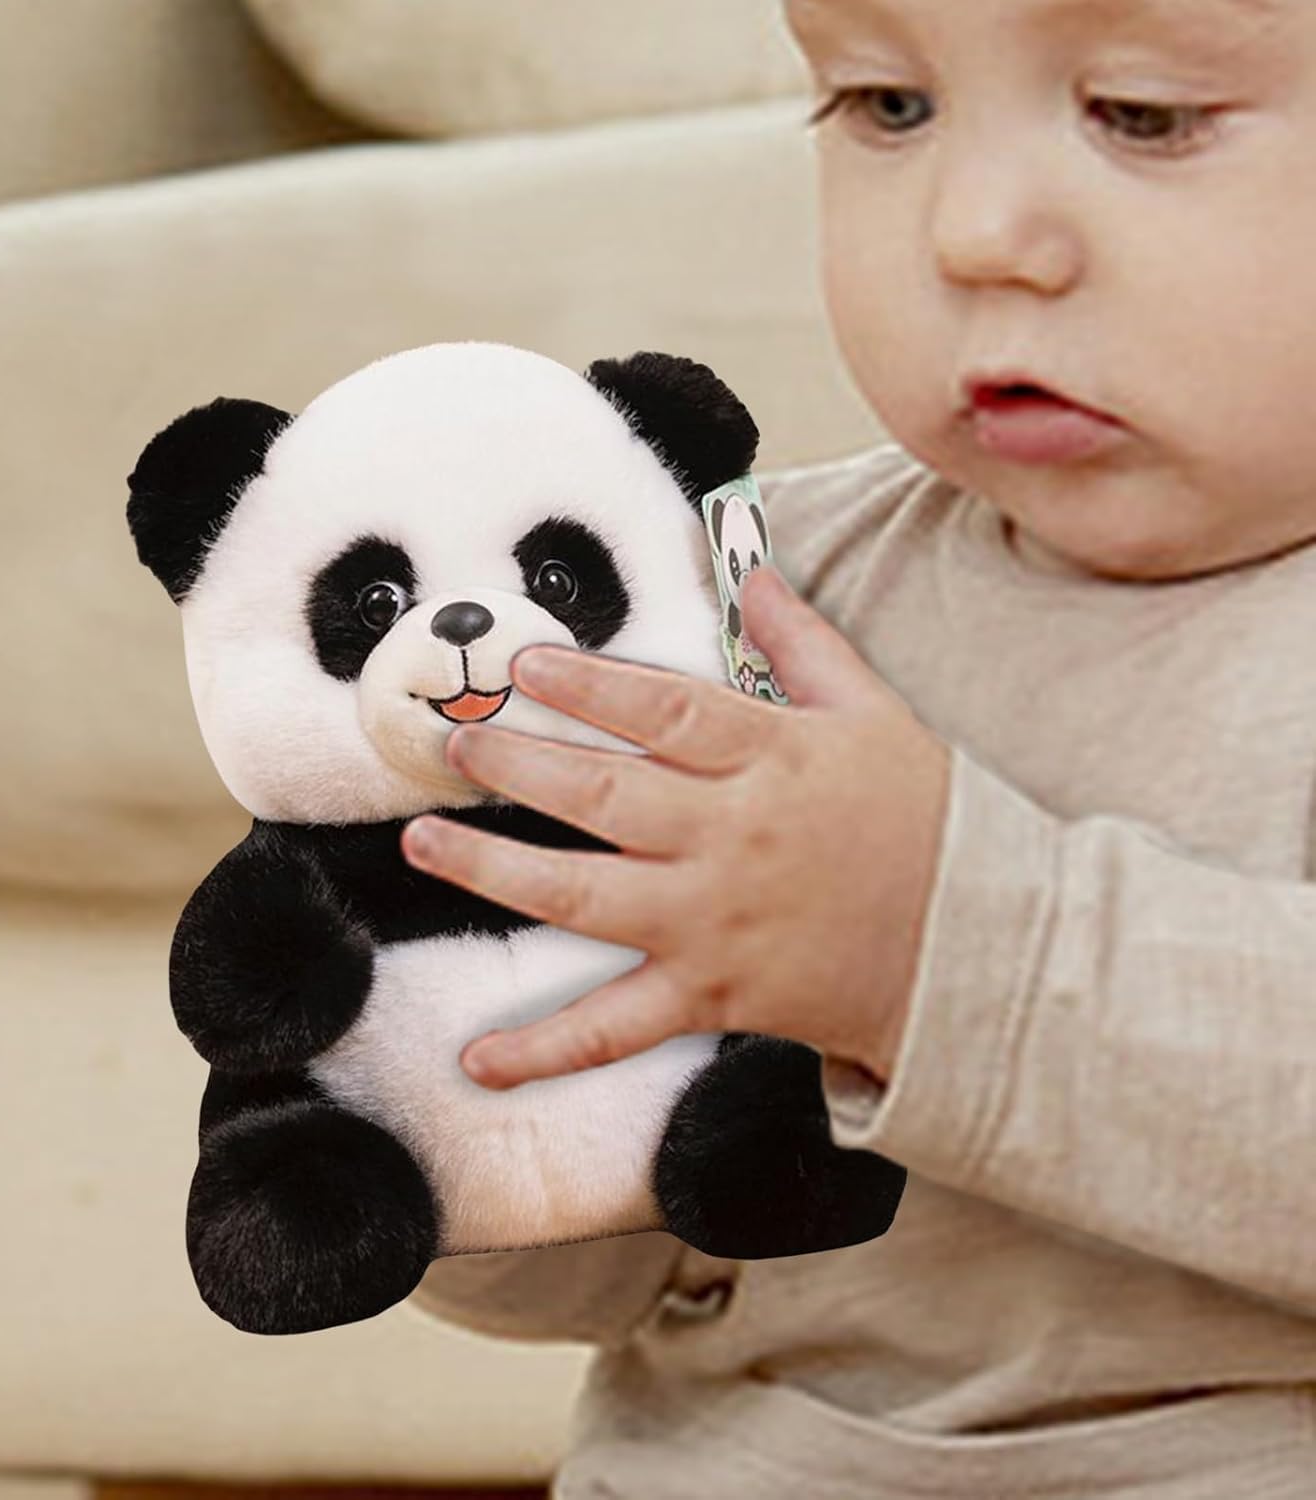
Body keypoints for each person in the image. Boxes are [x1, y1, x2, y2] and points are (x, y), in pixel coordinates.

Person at [400, 0, 1316, 1493]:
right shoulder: (741, 602)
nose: (975, 232)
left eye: (1144, 113)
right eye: (890, 104)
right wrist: (448, 1059)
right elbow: (587, 1280)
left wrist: (928, 945)